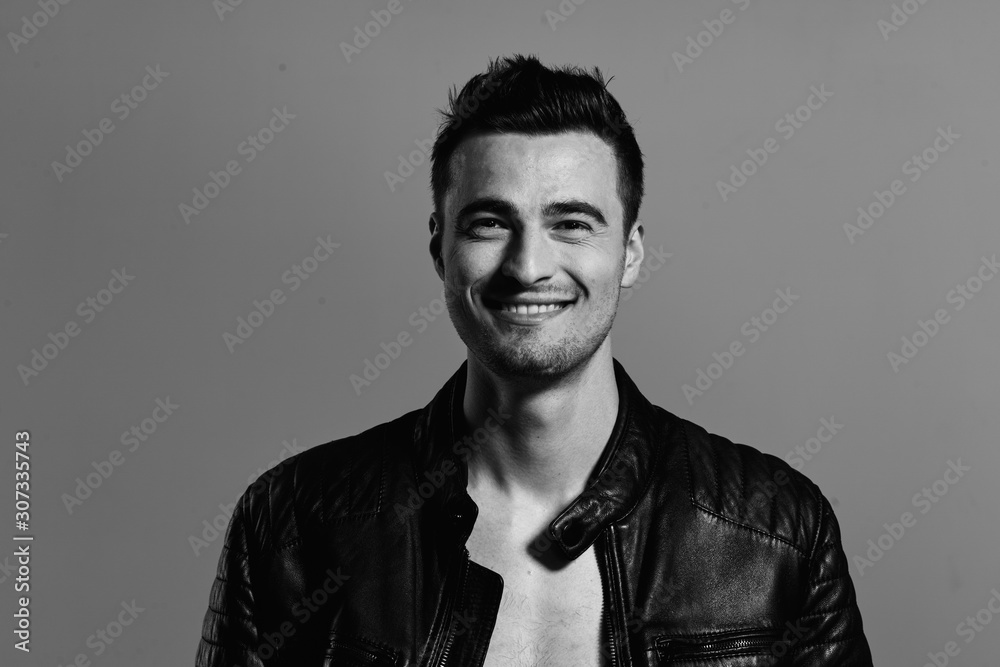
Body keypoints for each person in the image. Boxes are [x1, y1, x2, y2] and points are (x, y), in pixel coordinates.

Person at [196, 54, 873, 666]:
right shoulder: (293, 524)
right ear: (440, 249)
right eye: (490, 223)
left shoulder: (777, 533)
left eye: (571, 224)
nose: (528, 267)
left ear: (630, 253)